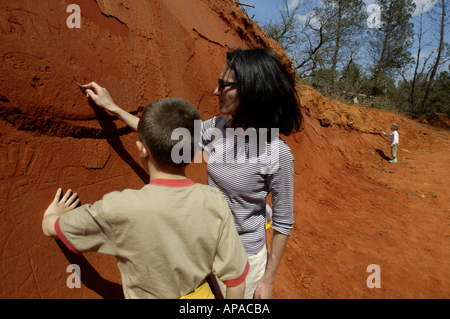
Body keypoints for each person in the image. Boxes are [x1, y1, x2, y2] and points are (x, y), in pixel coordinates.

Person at [82, 47, 302, 299]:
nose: (215, 91)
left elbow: (283, 223)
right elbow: (165, 138)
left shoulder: (277, 152)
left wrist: (268, 280)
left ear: (251, 89)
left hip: (245, 259)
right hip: (209, 248)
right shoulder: (218, 128)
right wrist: (114, 108)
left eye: (224, 85)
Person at [41, 97, 249, 299]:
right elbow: (236, 282)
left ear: (141, 150)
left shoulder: (119, 207)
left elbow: (52, 228)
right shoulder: (214, 199)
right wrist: (114, 107)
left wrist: (51, 216)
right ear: (193, 150)